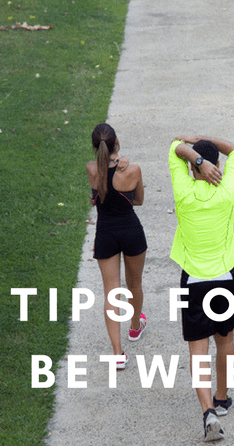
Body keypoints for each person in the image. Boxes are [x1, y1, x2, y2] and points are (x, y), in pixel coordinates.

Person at [168, 135, 234, 442]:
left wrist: (192, 152)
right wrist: (208, 145)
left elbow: (174, 146)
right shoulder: (228, 191)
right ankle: (222, 398)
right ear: (218, 166)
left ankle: (208, 411)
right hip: (225, 278)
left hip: (195, 281)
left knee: (197, 351)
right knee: (225, 342)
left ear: (193, 165)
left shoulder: (183, 190)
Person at [86, 123, 147, 369]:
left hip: (106, 233)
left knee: (112, 291)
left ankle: (118, 353)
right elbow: (139, 201)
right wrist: (125, 164)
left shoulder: (91, 169)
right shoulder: (132, 170)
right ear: (117, 143)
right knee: (135, 284)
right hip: (131, 231)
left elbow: (96, 195)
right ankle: (134, 327)